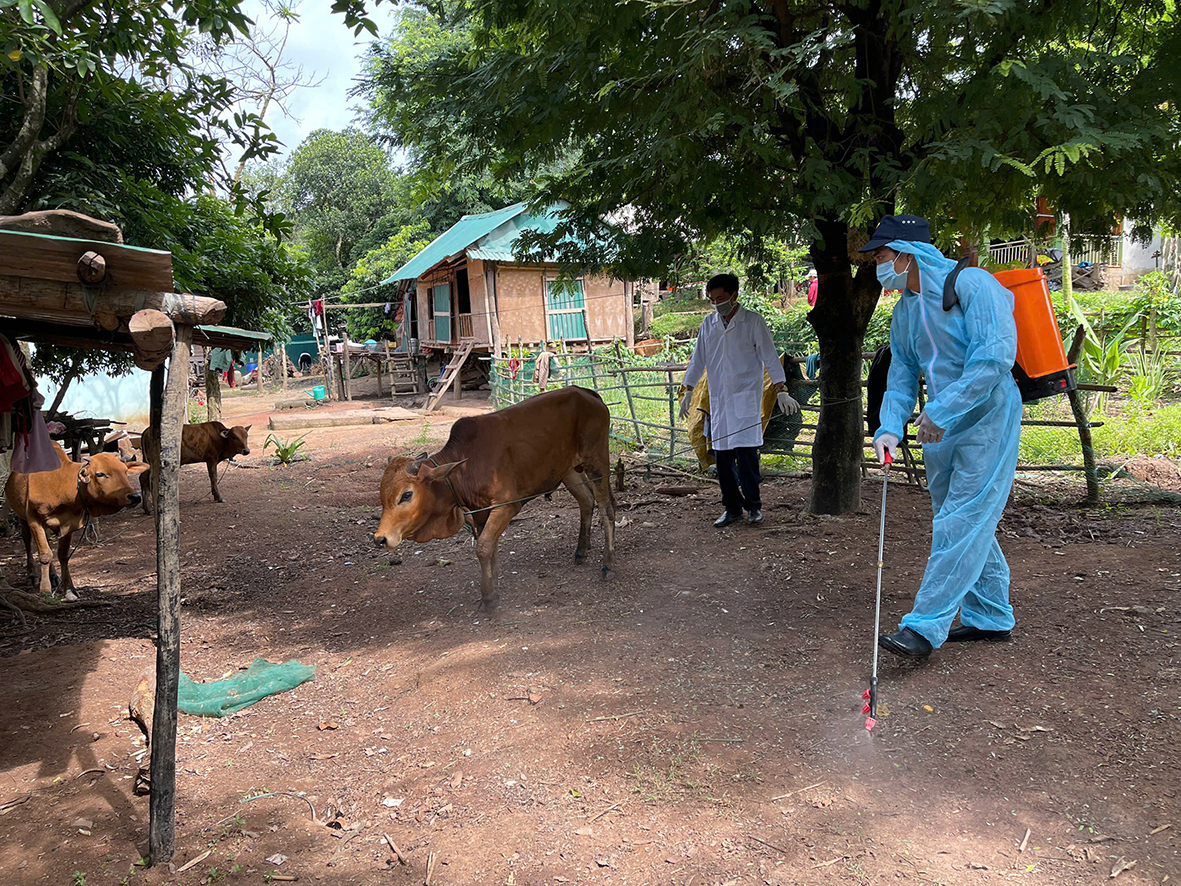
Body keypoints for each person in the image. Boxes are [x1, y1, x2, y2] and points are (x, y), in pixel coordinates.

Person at [862, 214, 1022, 659]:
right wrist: (889, 427)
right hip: (939, 429)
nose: (878, 264)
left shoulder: (973, 285)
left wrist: (940, 410)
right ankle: (990, 615)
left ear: (908, 253)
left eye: (882, 254)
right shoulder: (906, 310)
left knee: (961, 519)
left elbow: (993, 359)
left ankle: (923, 627)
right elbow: (902, 372)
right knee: (960, 518)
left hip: (987, 419)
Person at [681, 273, 800, 527]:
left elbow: (770, 356)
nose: (717, 304)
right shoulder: (708, 324)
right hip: (720, 402)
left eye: (721, 298)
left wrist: (781, 389)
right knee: (722, 460)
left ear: (735, 295)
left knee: (747, 458)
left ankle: (754, 507)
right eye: (712, 300)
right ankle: (732, 507)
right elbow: (697, 359)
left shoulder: (753, 322)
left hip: (745, 399)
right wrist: (688, 390)